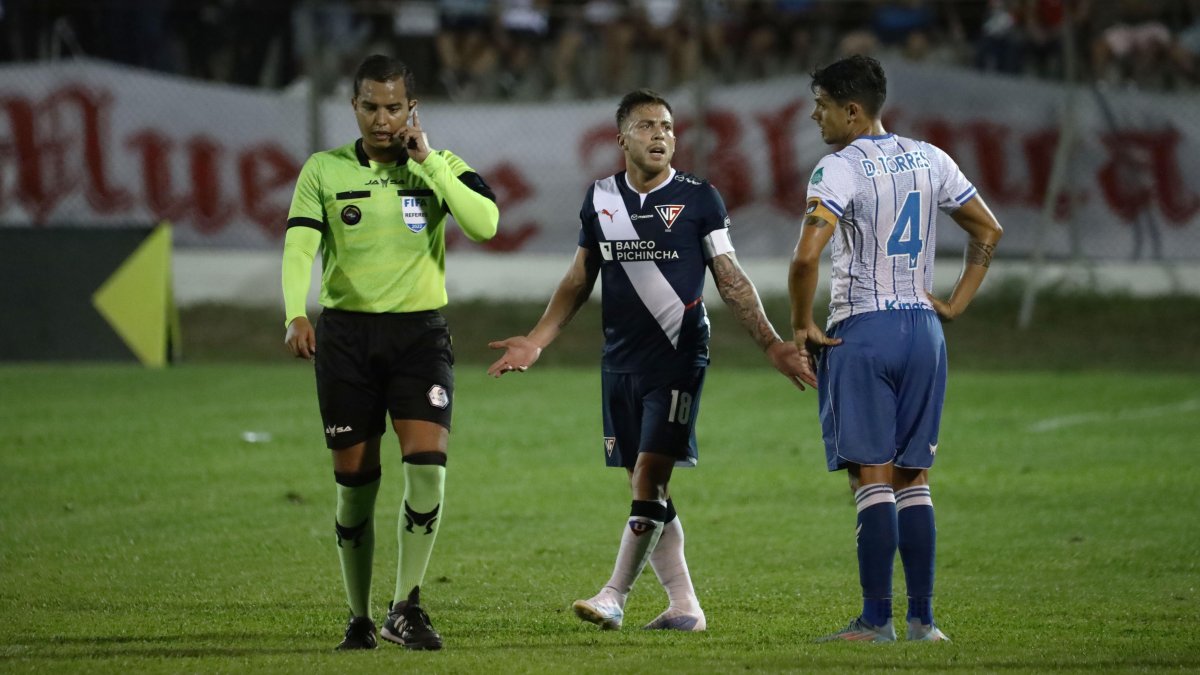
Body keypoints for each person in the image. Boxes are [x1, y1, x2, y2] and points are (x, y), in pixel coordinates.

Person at [488, 88, 814, 632]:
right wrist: (538, 340)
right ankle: (685, 606)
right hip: (619, 363)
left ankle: (614, 595)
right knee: (649, 488)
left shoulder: (698, 198)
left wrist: (772, 343)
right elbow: (578, 278)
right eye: (646, 126)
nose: (661, 134)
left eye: (667, 126)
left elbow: (730, 279)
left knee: (648, 477)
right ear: (621, 139)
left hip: (678, 358)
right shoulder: (600, 199)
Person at [282, 54, 499, 651]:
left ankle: (405, 605)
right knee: (355, 486)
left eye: (394, 107)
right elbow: (300, 246)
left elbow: (485, 224)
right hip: (347, 339)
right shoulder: (323, 171)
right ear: (354, 107)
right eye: (371, 107)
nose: (383, 119)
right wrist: (294, 312)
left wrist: (428, 162)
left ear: (412, 109)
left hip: (419, 338)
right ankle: (358, 617)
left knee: (427, 471)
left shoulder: (440, 165)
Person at [788, 54, 1002, 643]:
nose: (815, 116)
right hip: (924, 333)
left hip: (864, 330)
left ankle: (875, 620)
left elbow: (806, 258)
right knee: (916, 478)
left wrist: (802, 323)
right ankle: (923, 622)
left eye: (823, 106)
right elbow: (988, 229)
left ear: (851, 111)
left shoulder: (838, 169)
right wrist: (955, 304)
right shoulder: (931, 157)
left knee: (873, 478)